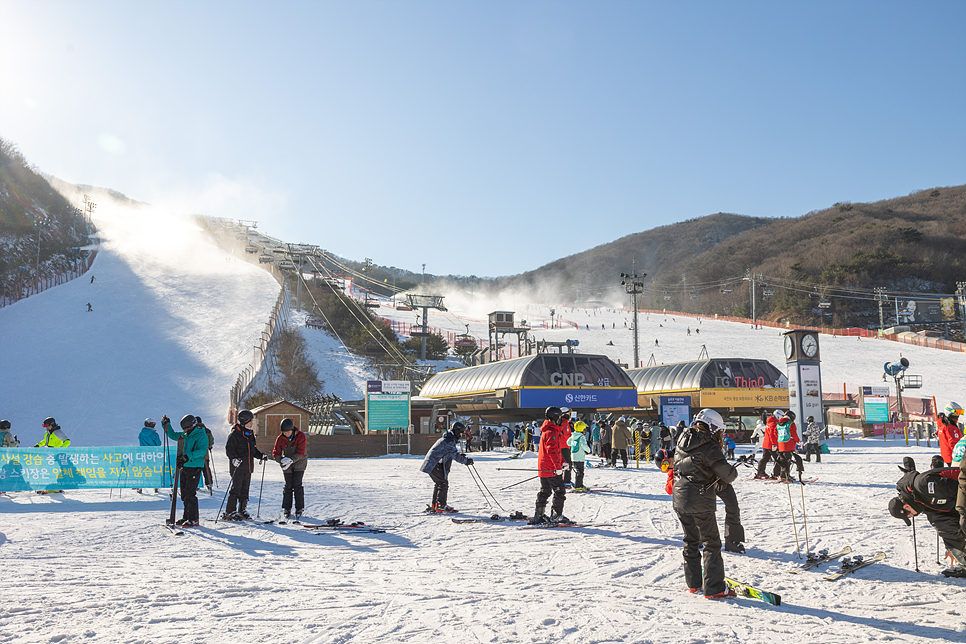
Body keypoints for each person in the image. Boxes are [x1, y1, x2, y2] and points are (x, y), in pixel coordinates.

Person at [672, 408, 739, 598]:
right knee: (711, 543)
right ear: (712, 427)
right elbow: (727, 473)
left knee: (690, 540)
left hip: (680, 498)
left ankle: (693, 583)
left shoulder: (682, 439)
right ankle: (715, 588)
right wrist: (732, 473)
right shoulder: (708, 445)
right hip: (700, 499)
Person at [891, 458, 966, 571]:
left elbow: (960, 489)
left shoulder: (923, 485)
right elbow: (945, 526)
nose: (913, 516)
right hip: (957, 501)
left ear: (906, 507)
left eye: (910, 515)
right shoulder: (920, 501)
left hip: (962, 488)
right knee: (938, 519)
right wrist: (954, 548)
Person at [162, 414, 207, 527]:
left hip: (195, 467)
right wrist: (166, 424)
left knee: (190, 494)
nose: (185, 430)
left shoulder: (201, 435)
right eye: (184, 429)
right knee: (184, 494)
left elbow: (201, 451)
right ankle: (186, 516)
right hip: (185, 467)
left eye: (187, 428)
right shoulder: (186, 435)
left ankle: (194, 519)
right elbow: (172, 435)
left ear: (193, 425)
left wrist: (188, 456)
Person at [223, 409, 268, 520]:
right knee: (236, 489)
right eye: (250, 421)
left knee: (245, 489)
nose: (252, 423)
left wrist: (261, 455)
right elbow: (229, 449)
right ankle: (230, 511)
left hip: (248, 467)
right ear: (244, 421)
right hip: (237, 467)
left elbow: (253, 450)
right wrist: (233, 459)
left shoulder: (250, 434)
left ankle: (242, 509)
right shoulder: (235, 434)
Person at [529, 406, 570, 525]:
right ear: (555, 417)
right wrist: (557, 467)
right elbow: (552, 452)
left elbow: (556, 451)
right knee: (559, 491)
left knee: (545, 491)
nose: (560, 420)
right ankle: (556, 515)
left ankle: (539, 515)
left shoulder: (548, 430)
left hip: (544, 467)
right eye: (559, 417)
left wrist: (563, 462)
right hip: (551, 468)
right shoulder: (551, 432)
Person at [420, 421, 473, 513]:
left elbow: (451, 453)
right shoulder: (448, 441)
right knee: (443, 483)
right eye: (461, 433)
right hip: (434, 464)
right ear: (457, 431)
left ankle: (435, 505)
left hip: (433, 464)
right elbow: (455, 456)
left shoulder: (448, 439)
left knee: (440, 483)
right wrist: (466, 461)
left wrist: (461, 455)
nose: (461, 435)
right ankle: (440, 505)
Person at [273, 418, 307, 520]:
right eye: (284, 432)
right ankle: (287, 508)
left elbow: (301, 452)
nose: (286, 434)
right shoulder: (280, 438)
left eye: (287, 432)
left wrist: (291, 460)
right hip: (286, 463)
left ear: (292, 430)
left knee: (297, 484)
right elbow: (275, 453)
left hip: (299, 462)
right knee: (288, 485)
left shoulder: (301, 436)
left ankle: (299, 508)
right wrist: (281, 460)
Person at [774, 411, 803, 481]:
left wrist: (781, 438)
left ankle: (783, 475)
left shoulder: (778, 424)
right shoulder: (791, 424)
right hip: (788, 444)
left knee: (782, 460)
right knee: (787, 461)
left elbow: (775, 433)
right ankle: (784, 476)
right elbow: (794, 434)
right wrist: (799, 442)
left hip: (781, 444)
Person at [135, 418, 161, 494]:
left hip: (143, 455)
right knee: (154, 470)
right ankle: (155, 486)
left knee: (143, 470)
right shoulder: (154, 434)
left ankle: (140, 487)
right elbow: (158, 444)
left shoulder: (141, 433)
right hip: (153, 455)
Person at [754, 411, 780, 479]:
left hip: (766, 444)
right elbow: (772, 435)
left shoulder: (768, 422)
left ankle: (760, 472)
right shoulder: (774, 423)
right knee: (777, 459)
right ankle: (777, 474)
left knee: (765, 458)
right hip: (771, 444)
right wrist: (774, 443)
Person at [568, 420, 591, 490]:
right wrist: (589, 450)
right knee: (580, 472)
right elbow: (584, 445)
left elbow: (568, 443)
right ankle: (578, 486)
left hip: (573, 456)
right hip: (580, 457)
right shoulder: (581, 437)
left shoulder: (573, 435)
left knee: (578, 471)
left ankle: (578, 484)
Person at [196, 417, 215, 495]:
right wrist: (209, 446)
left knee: (196, 470)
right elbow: (211, 440)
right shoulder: (207, 430)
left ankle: (196, 484)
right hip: (205, 454)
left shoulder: (195, 430)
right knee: (206, 469)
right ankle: (209, 484)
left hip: (196, 455)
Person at [559, 408, 573, 486]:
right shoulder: (564, 422)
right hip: (564, 445)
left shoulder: (561, 422)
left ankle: (560, 480)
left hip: (561, 445)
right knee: (568, 463)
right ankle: (566, 481)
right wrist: (571, 442)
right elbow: (567, 435)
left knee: (562, 463)